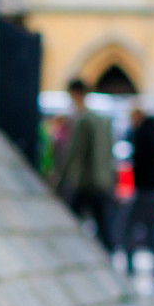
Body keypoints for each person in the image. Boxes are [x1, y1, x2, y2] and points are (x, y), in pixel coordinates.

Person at [51, 79, 116, 254]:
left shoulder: (82, 121)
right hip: (102, 182)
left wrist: (59, 182)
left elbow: (73, 154)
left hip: (85, 182)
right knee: (104, 227)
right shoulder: (104, 121)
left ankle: (70, 253)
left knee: (71, 220)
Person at [121, 104, 154, 280]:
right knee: (151, 232)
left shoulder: (140, 134)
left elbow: (136, 164)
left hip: (144, 190)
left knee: (128, 228)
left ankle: (130, 267)